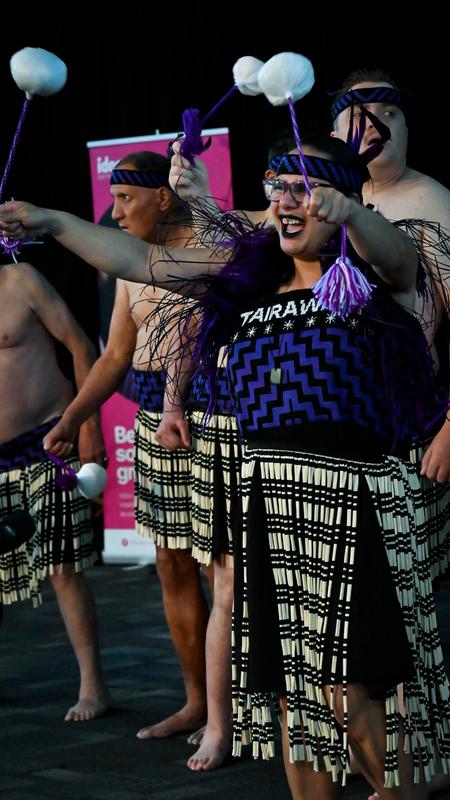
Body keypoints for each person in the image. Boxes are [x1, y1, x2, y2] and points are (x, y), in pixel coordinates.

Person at [2, 131, 450, 799]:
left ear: (342, 198)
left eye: (304, 190)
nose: (286, 204)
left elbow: (391, 251)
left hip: (353, 504)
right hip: (268, 502)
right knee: (295, 701)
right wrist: (55, 221)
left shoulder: (375, 277)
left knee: (354, 692)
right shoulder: (249, 281)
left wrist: (350, 215)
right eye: (279, 191)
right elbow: (142, 261)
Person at [41, 151, 210, 740]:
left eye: (124, 200)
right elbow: (115, 355)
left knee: (225, 569)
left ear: (163, 197)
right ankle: (198, 702)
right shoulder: (128, 270)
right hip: (150, 425)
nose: (113, 215)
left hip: (210, 421)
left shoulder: (208, 250)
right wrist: (74, 418)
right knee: (171, 564)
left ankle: (241, 708)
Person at [331, 67, 450, 800]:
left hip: (417, 425)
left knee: (412, 603)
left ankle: (419, 764)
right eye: (356, 113)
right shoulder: (327, 200)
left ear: (405, 124)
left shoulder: (432, 202)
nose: (371, 125)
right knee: (363, 604)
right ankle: (378, 747)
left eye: (386, 112)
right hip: (350, 433)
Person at [0, 258, 110, 721]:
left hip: (48, 440)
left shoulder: (21, 279)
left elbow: (81, 347)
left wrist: (87, 431)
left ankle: (93, 686)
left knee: (62, 567)